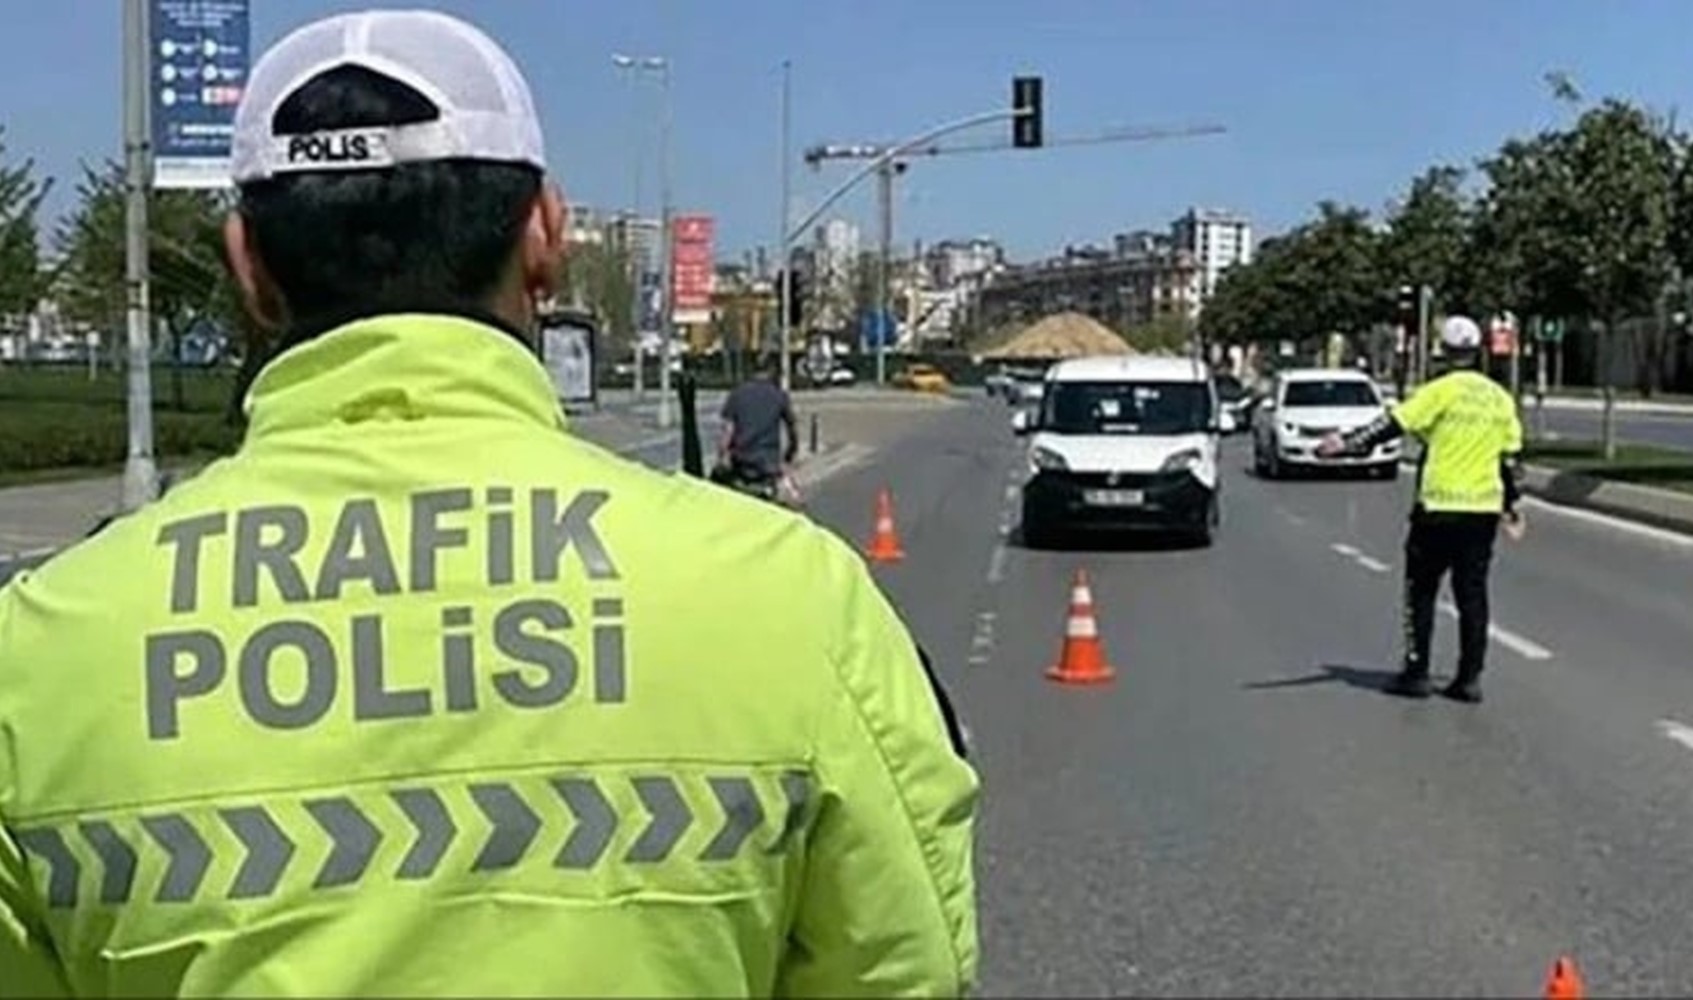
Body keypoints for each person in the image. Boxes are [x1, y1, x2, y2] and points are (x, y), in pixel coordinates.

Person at [0, 11, 978, 997]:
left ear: (246, 263)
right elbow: (902, 965)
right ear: (545, 234)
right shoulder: (787, 599)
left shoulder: (41, 654)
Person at [1318, 315, 1525, 703]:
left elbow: (1392, 424)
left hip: (1438, 508)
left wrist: (1346, 444)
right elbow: (1510, 459)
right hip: (1482, 511)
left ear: (1443, 352)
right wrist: (1512, 505)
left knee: (1421, 591)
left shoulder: (1440, 391)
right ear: (1478, 350)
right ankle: (1469, 679)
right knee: (1473, 595)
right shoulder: (1499, 399)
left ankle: (1416, 672)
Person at [717, 354, 799, 489]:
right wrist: (789, 455)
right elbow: (792, 429)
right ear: (772, 370)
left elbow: (727, 431)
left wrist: (722, 457)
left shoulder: (737, 394)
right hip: (768, 462)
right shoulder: (779, 395)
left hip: (741, 460)